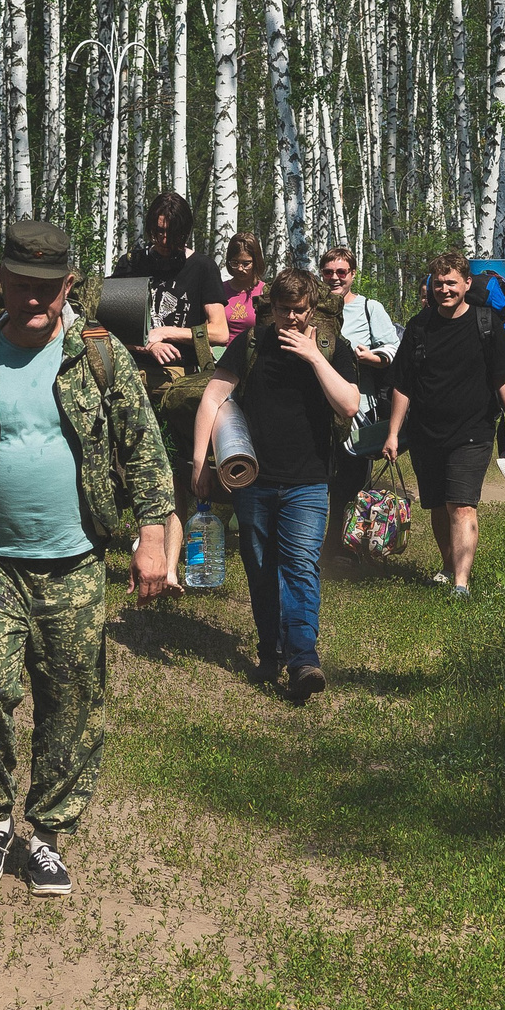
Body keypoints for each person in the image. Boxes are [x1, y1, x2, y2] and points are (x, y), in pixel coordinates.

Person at [0, 218, 176, 898]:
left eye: (46, 290)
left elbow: (144, 451)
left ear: (69, 287)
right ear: (1, 283)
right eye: (20, 287)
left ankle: (47, 834)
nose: (32, 300)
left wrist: (153, 540)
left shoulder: (99, 354)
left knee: (72, 700)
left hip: (77, 561)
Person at [190, 268, 363, 701]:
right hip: (254, 482)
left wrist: (313, 356)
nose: (288, 319)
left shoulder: (332, 349)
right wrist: (199, 463)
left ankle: (304, 659)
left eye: (297, 312)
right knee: (262, 568)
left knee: (300, 565)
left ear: (311, 312)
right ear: (271, 309)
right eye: (282, 310)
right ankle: (271, 649)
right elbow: (213, 397)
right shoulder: (251, 344)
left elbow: (348, 405)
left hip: (307, 481)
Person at [381, 252, 505, 597]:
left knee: (461, 504)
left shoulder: (486, 322)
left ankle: (461, 582)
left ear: (466, 283)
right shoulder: (419, 326)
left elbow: (504, 379)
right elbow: (403, 384)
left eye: (451, 282)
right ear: (431, 286)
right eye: (438, 283)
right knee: (436, 503)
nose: (444, 289)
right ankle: (447, 566)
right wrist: (392, 433)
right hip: (425, 431)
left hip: (473, 430)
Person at [109, 192, 230, 589]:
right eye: (157, 233)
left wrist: (168, 331)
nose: (163, 241)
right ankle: (140, 547)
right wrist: (146, 343)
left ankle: (174, 569)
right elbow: (106, 325)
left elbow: (219, 330)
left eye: (171, 235)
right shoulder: (131, 265)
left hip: (180, 385)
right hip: (132, 378)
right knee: (125, 469)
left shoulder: (202, 268)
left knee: (178, 473)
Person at [319, 246, 399, 535]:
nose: (335, 278)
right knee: (318, 477)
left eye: (342, 272)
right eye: (328, 272)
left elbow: (393, 346)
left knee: (351, 479)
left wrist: (371, 358)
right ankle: (318, 543)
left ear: (353, 274)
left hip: (358, 410)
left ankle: (344, 544)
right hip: (316, 407)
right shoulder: (311, 308)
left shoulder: (369, 308)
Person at [221, 233, 267, 341]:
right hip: (222, 354)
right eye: (235, 263)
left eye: (246, 264)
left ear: (256, 262)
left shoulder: (265, 292)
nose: (240, 268)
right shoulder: (220, 290)